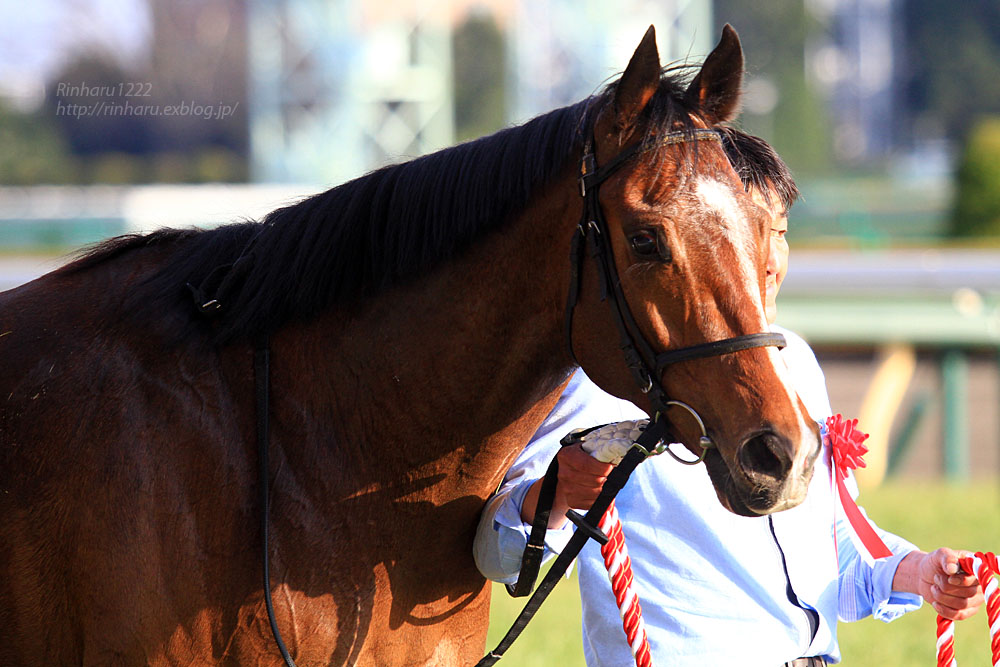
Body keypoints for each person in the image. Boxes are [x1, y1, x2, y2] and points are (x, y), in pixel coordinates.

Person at [474, 129, 984, 665]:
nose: (767, 260)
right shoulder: (606, 378)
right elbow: (498, 555)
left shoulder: (798, 365)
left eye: (779, 233)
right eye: (746, 238)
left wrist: (919, 573)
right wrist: (555, 493)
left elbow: (836, 552)